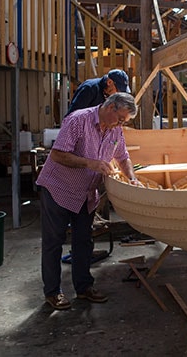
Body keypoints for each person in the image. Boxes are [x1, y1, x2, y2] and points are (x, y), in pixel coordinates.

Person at [36, 92, 140, 310]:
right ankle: (53, 292)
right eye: (121, 119)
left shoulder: (115, 129)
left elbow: (123, 157)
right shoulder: (78, 120)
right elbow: (57, 154)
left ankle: (84, 288)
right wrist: (90, 163)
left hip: (85, 193)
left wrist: (131, 178)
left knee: (84, 242)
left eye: (125, 122)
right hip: (58, 188)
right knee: (54, 242)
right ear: (110, 107)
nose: (121, 124)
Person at [66, 69, 131, 117]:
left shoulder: (110, 95)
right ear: (109, 82)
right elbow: (73, 114)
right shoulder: (89, 88)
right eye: (118, 90)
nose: (118, 94)